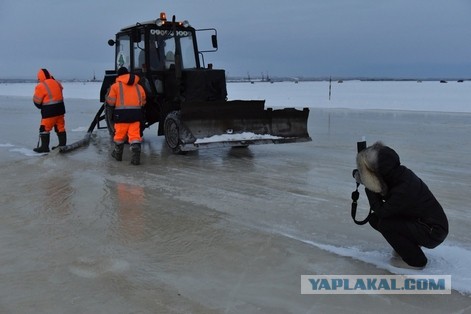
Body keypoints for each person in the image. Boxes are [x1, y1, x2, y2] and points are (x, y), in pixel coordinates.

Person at [355, 142, 448, 269]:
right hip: (421, 222)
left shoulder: (403, 188)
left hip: (433, 231)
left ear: (381, 171)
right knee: (375, 219)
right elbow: (386, 199)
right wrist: (369, 180)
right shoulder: (399, 174)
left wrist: (368, 185)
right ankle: (407, 247)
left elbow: (383, 211)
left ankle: (417, 261)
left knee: (384, 223)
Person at [106, 67, 146, 165]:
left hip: (121, 116)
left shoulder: (115, 86)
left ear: (119, 75)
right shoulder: (139, 87)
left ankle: (118, 155)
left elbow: (111, 103)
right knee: (135, 136)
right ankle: (136, 158)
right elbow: (143, 102)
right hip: (136, 115)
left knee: (119, 136)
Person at [32, 68, 67, 153]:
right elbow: (61, 88)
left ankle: (44, 147)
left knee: (44, 128)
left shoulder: (41, 86)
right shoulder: (57, 82)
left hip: (49, 112)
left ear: (40, 77)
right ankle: (62, 145)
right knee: (60, 127)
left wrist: (41, 106)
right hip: (60, 110)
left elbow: (37, 102)